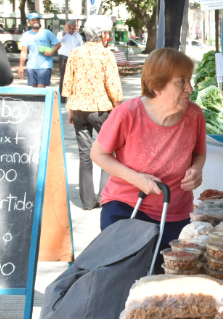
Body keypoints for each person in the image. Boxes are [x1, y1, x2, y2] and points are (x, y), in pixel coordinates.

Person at [91, 48, 206, 268]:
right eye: (180, 82)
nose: (189, 89)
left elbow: (198, 153)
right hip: (126, 209)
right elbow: (98, 153)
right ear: (156, 86)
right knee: (125, 281)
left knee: (166, 284)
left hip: (176, 213)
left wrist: (197, 170)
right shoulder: (127, 113)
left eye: (189, 80)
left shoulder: (195, 115)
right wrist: (137, 179)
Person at [62, 15, 123, 210]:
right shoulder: (106, 55)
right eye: (108, 33)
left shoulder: (75, 53)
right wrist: (118, 108)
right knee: (108, 152)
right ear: (103, 34)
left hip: (79, 109)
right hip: (102, 110)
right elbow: (113, 87)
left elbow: (68, 84)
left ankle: (87, 202)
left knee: (85, 154)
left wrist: (70, 110)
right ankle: (105, 197)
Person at [18, 12, 61, 87]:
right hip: (31, 66)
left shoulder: (47, 32)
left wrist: (51, 52)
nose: (35, 21)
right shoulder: (26, 35)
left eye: (37, 19)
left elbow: (58, 44)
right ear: (29, 22)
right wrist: (21, 66)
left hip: (44, 66)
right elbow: (24, 51)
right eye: (33, 20)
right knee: (34, 92)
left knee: (40, 90)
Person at [57, 19, 84, 102]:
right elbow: (58, 41)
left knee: (74, 77)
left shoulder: (77, 35)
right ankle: (62, 96)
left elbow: (82, 46)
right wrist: (64, 32)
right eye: (70, 28)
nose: (71, 30)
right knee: (64, 77)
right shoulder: (62, 34)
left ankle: (72, 96)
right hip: (64, 58)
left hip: (75, 58)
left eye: (73, 28)